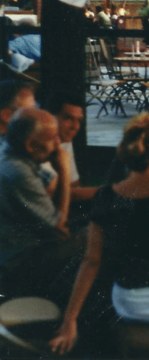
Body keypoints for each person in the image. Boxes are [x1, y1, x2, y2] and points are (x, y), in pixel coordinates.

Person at [49, 114, 149, 355]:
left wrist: (70, 320)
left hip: (132, 305)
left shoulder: (106, 197)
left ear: (124, 150)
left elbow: (91, 261)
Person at [0, 108, 77, 304]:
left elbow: (46, 185)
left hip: (15, 249)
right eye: (52, 138)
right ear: (30, 145)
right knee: (97, 239)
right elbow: (60, 232)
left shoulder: (8, 150)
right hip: (17, 263)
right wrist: (64, 170)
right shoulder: (18, 172)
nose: (58, 143)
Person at [42, 92, 98, 203]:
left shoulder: (64, 139)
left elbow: (73, 185)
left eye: (79, 120)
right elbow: (52, 196)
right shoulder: (38, 147)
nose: (75, 127)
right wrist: (112, 191)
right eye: (68, 118)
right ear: (50, 116)